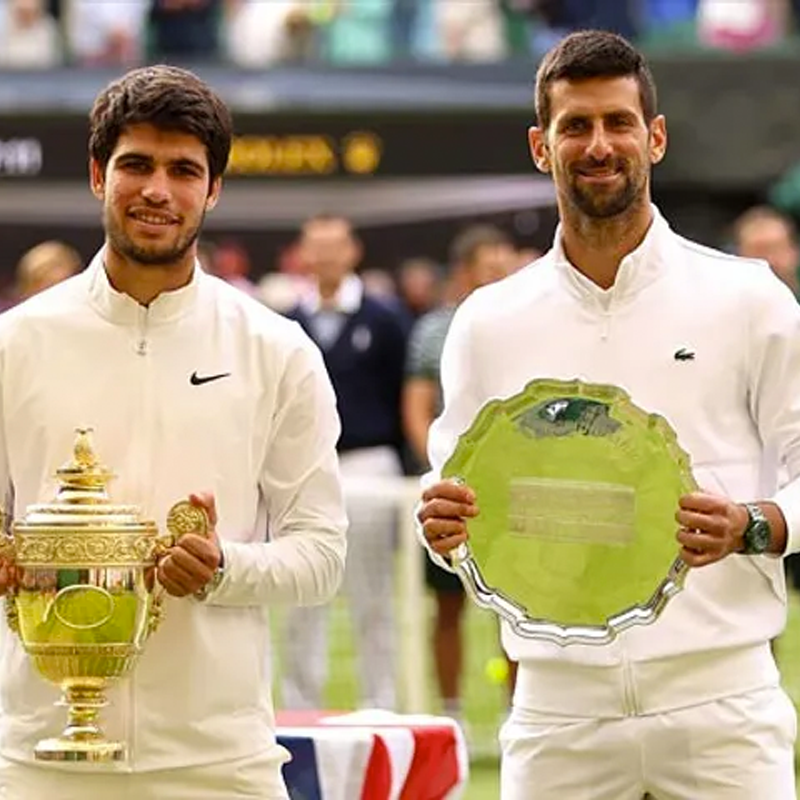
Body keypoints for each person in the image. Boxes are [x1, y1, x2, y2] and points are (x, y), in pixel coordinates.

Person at [417, 30, 800, 800]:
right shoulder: (490, 321)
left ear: (654, 138)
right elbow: (460, 517)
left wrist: (754, 526)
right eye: (576, 126)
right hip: (559, 712)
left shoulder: (749, 297)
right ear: (540, 145)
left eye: (619, 123)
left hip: (721, 703)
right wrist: (443, 531)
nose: (599, 145)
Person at [0, 65, 347, 800]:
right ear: (99, 174)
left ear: (213, 189)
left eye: (184, 170)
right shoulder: (16, 344)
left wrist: (224, 570)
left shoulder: (275, 349)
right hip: (38, 758)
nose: (158, 190)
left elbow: (322, 555)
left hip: (219, 763)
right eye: (137, 165)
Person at [281, 214, 407, 711]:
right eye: (318, 247)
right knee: (299, 592)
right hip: (303, 470)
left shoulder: (385, 318)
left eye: (336, 246)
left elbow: (404, 394)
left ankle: (382, 705)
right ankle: (298, 708)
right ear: (304, 255)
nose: (328, 257)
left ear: (353, 251)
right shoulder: (288, 323)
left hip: (369, 464)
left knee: (372, 594)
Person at [402, 224, 518, 724]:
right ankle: (452, 715)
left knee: (518, 605)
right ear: (465, 271)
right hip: (453, 485)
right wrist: (441, 469)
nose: (500, 276)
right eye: (489, 268)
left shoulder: (524, 322)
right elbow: (418, 405)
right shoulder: (434, 330)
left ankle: (520, 711)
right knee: (448, 604)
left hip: (512, 486)